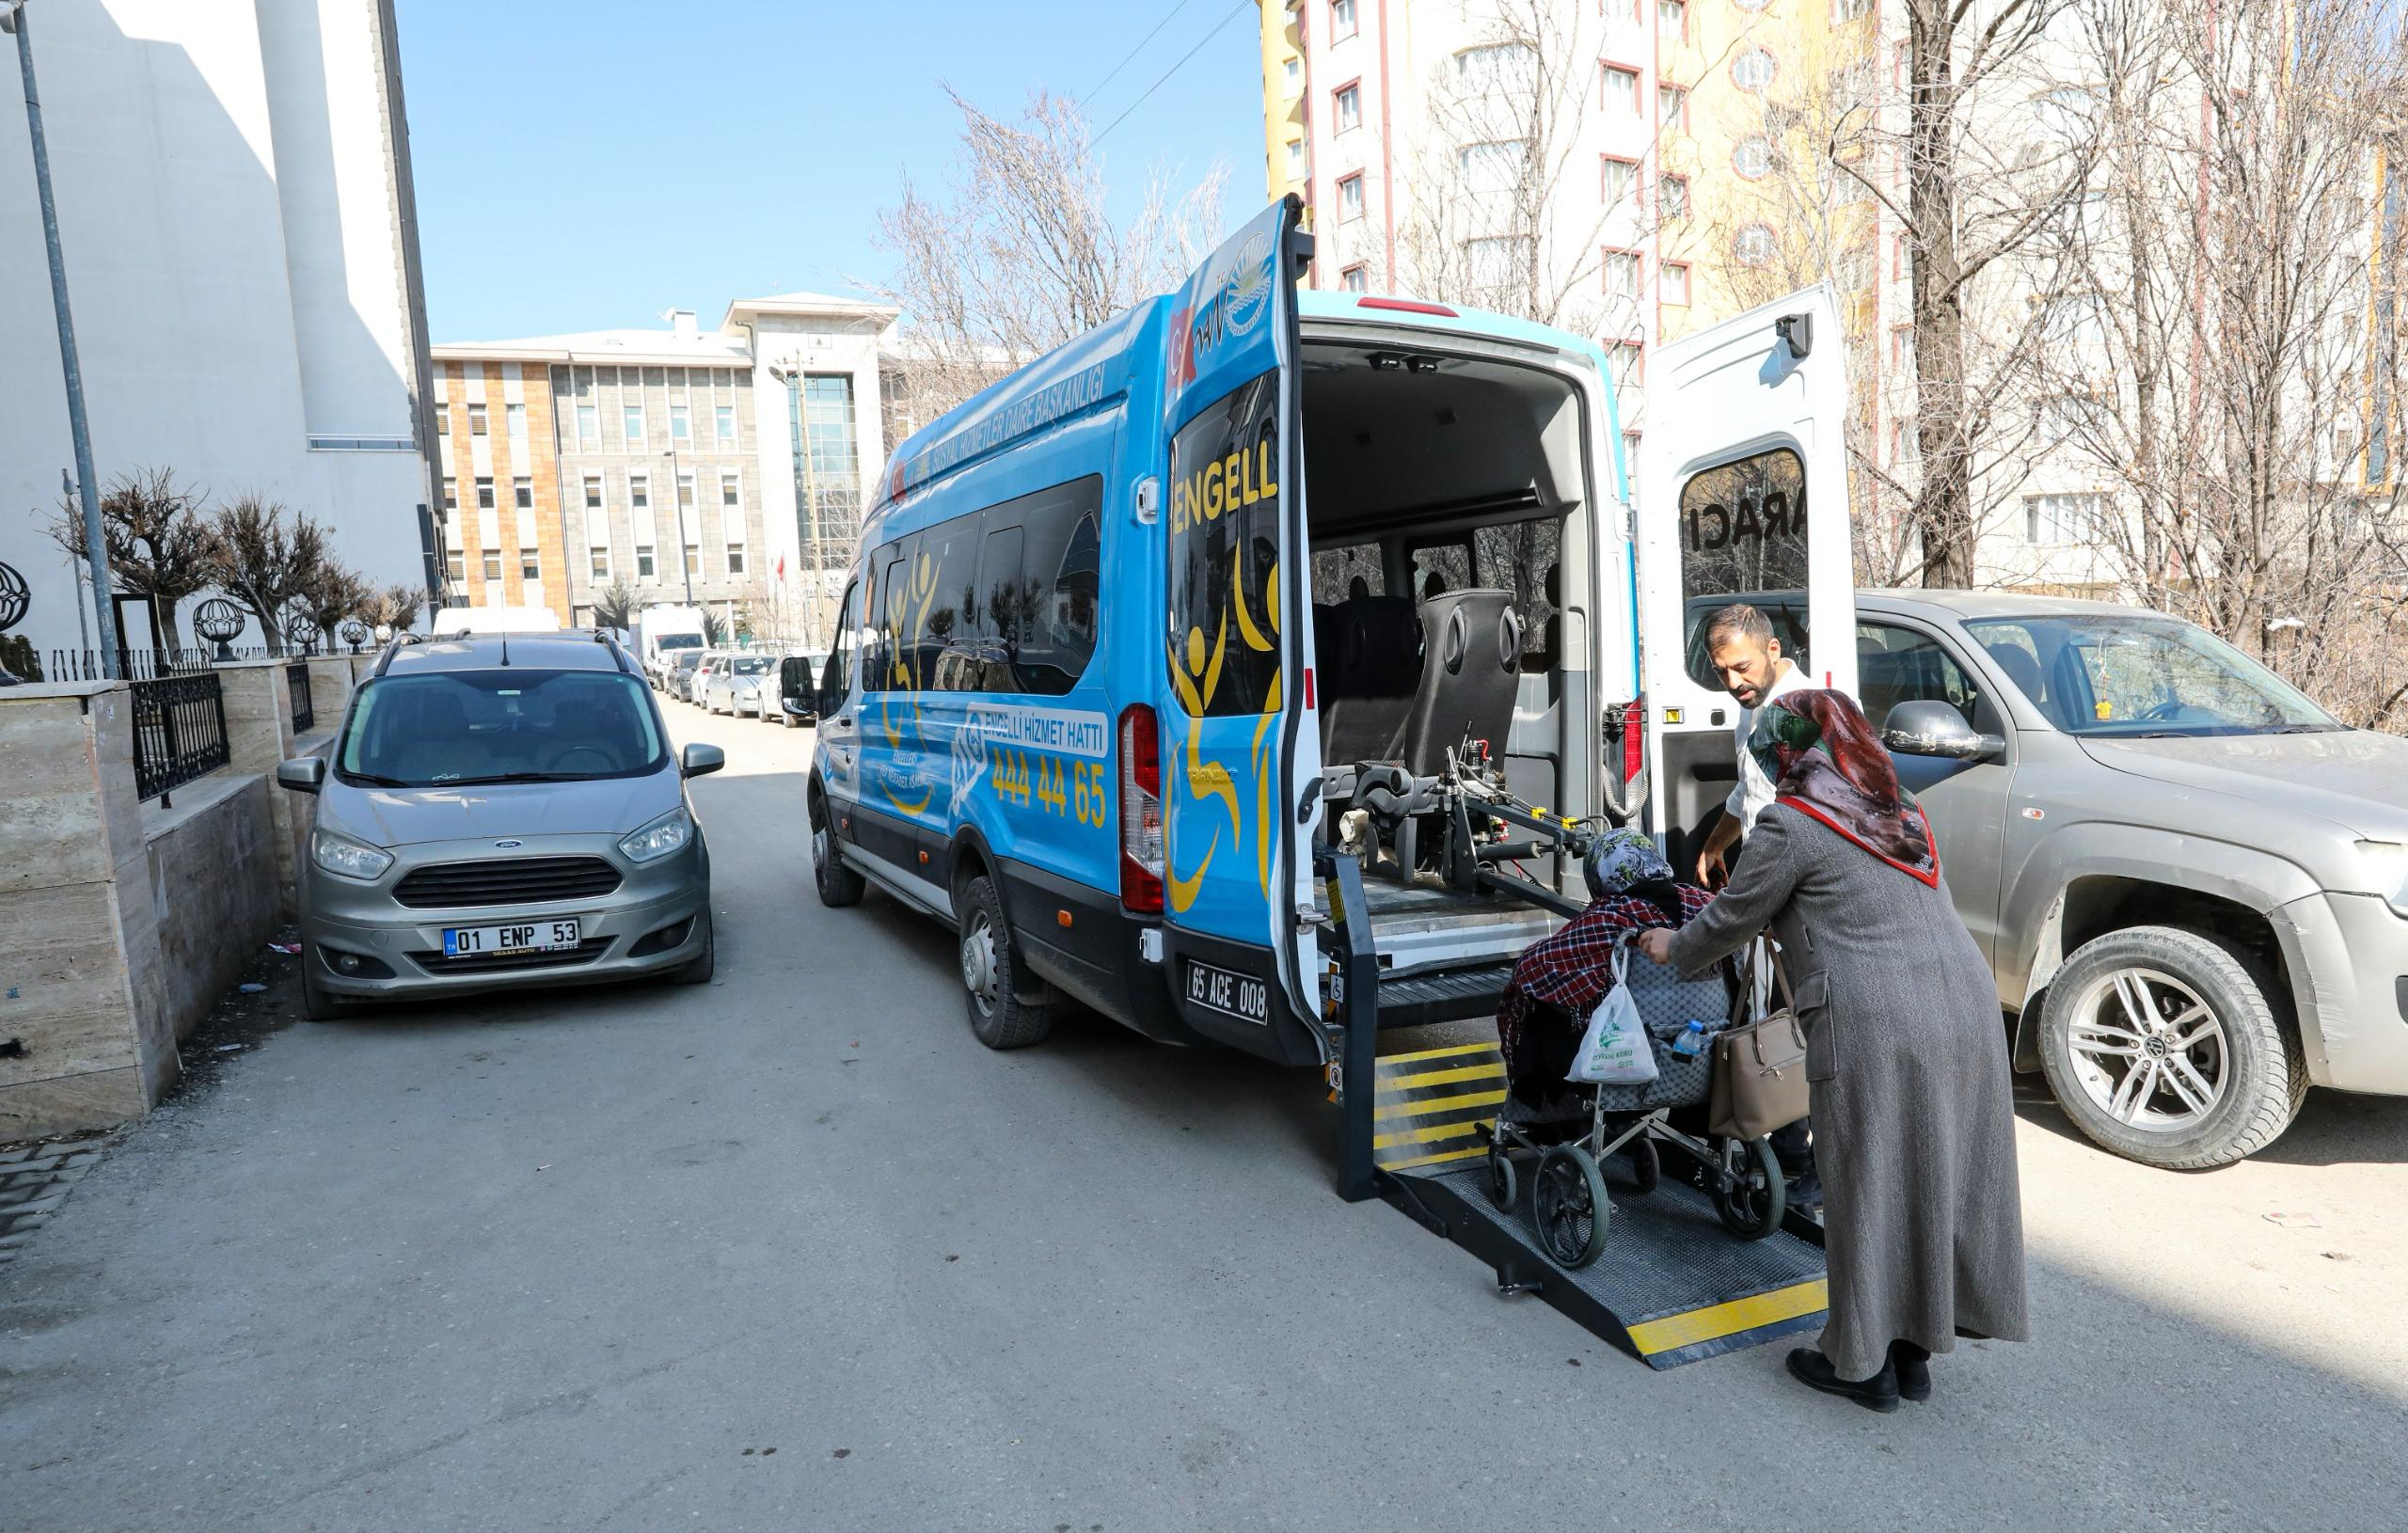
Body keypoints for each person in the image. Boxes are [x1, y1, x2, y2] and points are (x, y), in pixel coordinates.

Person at [1636, 690, 2028, 1413]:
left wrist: (1670, 947)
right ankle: (1911, 1351)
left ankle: (1858, 1363)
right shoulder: (1896, 808)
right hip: (1965, 1006)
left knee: (1864, 1178)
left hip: (1877, 1017)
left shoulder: (1792, 825)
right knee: (1930, 1171)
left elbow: (1729, 920)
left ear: (1789, 756)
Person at [1496, 830, 1712, 1124]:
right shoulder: (1706, 907)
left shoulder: (1608, 917)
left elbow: (1531, 970)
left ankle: (1540, 1107)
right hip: (1699, 1054)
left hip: (1623, 1060)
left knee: (1537, 1011)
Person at [1691, 603, 1814, 890]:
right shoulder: (1754, 697)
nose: (1733, 682)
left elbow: (1812, 825)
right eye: (1721, 672)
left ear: (1773, 650)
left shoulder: (1804, 712)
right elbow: (1751, 788)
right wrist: (1714, 847)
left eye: (1741, 667)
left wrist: (1769, 899)